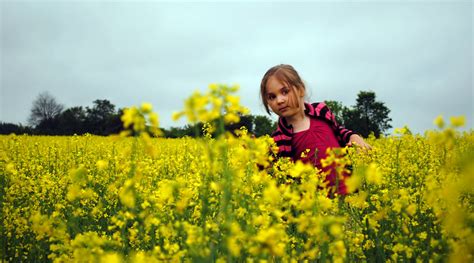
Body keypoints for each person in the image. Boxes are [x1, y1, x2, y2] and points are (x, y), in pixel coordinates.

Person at [260, 64, 371, 195]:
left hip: (350, 200)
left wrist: (353, 137)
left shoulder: (321, 112)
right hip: (315, 209)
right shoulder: (277, 140)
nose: (279, 100)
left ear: (301, 89)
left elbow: (338, 131)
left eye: (285, 91)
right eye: (272, 97)